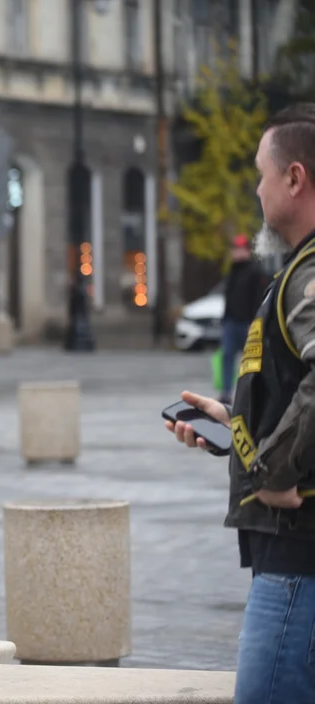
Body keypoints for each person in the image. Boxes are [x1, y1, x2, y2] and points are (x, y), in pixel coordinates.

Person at [165, 103, 315, 704]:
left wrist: (272, 469)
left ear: (295, 178)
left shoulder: (309, 275)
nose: (256, 189)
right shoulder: (297, 271)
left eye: (261, 174)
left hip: (297, 546)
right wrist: (238, 423)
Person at [220, 234, 267, 404]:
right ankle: (226, 392)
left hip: (246, 323)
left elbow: (258, 298)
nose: (238, 253)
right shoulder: (232, 270)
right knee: (227, 356)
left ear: (247, 251)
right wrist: (224, 319)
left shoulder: (255, 271)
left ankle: (249, 394)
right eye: (236, 249)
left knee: (250, 361)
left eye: (241, 249)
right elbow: (228, 297)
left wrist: (254, 322)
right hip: (231, 322)